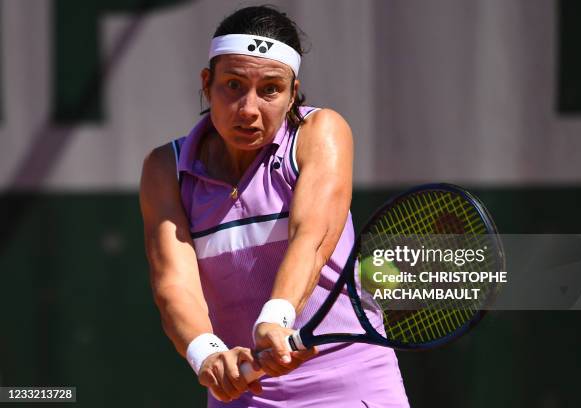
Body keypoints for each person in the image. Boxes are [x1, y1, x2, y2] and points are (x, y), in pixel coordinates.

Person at [139, 5, 410, 408]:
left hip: (353, 385)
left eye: (270, 89)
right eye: (233, 85)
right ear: (206, 82)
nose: (249, 109)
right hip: (244, 393)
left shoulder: (321, 132)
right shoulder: (166, 168)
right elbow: (174, 285)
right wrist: (207, 354)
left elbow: (312, 239)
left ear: (291, 92)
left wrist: (276, 317)